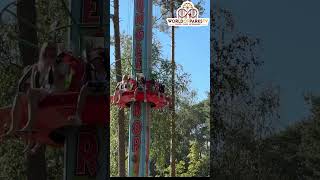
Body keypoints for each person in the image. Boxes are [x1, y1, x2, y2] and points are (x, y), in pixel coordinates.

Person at [69, 48, 107, 125]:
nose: (95, 63)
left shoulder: (107, 70)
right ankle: (78, 116)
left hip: (105, 90)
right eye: (93, 61)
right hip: (95, 90)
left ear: (101, 60)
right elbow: (83, 83)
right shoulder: (90, 71)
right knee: (84, 88)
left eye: (96, 60)